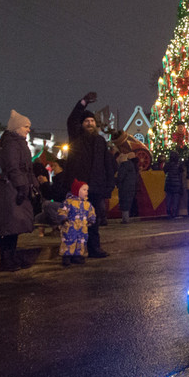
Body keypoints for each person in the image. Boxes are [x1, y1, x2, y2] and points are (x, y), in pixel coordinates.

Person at [66, 93, 116, 258]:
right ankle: (76, 251)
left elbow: (107, 164)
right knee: (77, 220)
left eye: (92, 121)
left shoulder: (100, 141)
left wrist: (109, 184)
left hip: (95, 187)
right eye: (86, 121)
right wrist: (83, 102)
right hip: (79, 187)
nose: (90, 123)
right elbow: (72, 120)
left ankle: (94, 248)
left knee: (93, 220)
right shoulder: (77, 137)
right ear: (82, 124)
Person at [0, 110, 37, 272]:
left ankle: (11, 256)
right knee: (8, 224)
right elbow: (13, 167)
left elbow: (26, 169)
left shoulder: (19, 143)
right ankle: (6, 259)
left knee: (14, 225)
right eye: (26, 126)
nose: (28, 130)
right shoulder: (12, 144)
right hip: (11, 189)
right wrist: (22, 186)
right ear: (17, 128)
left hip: (16, 187)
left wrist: (33, 185)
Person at [58, 179, 96, 267]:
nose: (86, 192)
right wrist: (64, 219)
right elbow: (62, 211)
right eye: (84, 190)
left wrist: (91, 220)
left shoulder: (87, 204)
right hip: (70, 226)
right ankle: (66, 256)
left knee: (81, 241)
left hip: (82, 227)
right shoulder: (69, 202)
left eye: (87, 190)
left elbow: (91, 212)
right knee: (69, 240)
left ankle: (78, 255)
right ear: (77, 191)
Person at [115, 150, 138, 223]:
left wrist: (116, 181)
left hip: (124, 186)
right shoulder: (131, 165)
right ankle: (126, 218)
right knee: (127, 201)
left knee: (124, 202)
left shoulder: (124, 166)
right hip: (130, 186)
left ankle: (125, 219)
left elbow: (120, 177)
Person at [162, 151, 183, 218]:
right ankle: (174, 213)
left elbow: (164, 171)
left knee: (169, 198)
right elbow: (181, 173)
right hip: (177, 183)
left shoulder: (167, 164)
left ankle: (168, 212)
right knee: (175, 200)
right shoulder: (179, 164)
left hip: (169, 183)